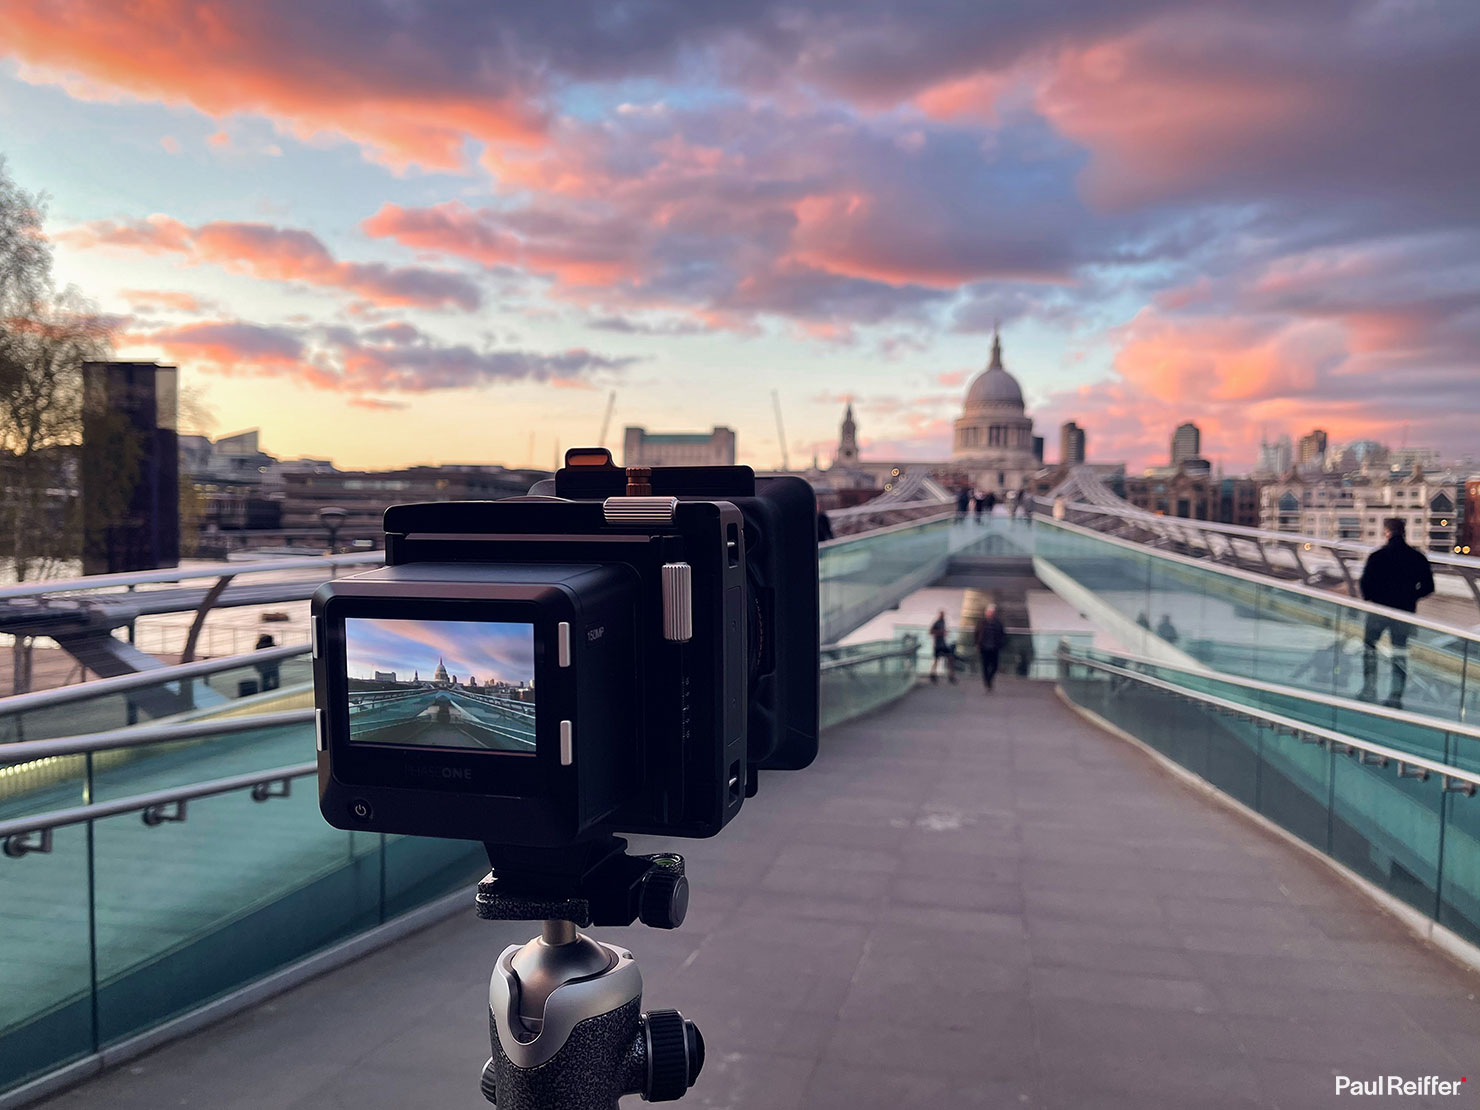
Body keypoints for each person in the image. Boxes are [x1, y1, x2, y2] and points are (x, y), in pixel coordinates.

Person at [1358, 517, 1434, 707]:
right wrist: (1410, 597)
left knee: (1369, 648)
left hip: (1379, 610)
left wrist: (1374, 598)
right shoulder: (1417, 557)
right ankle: (1395, 696)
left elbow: (1365, 585)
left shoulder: (1377, 556)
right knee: (1399, 652)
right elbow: (1429, 587)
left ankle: (1369, 689)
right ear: (1404, 531)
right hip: (1404, 611)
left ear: (1386, 532)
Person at [974, 604, 1006, 692]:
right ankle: (987, 682)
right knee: (985, 666)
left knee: (995, 666)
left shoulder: (998, 623)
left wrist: (1001, 643)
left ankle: (989, 679)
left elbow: (1002, 634)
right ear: (986, 613)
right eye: (988, 612)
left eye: (991, 612)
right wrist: (977, 643)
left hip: (994, 648)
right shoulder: (981, 622)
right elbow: (976, 633)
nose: (990, 614)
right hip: (984, 647)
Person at [928, 610, 957, 684]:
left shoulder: (943, 622)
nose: (943, 616)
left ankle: (951, 675)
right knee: (937, 660)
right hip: (938, 645)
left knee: (950, 658)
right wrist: (940, 632)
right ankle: (932, 674)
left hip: (943, 644)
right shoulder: (937, 622)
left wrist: (945, 632)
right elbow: (930, 631)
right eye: (942, 615)